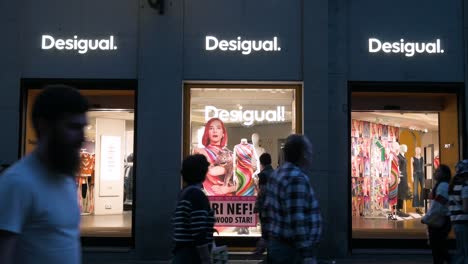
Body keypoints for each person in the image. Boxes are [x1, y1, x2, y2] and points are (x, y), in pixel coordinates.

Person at [0, 85, 89, 264]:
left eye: (83, 127)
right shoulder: (17, 182)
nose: (82, 138)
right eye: (73, 127)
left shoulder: (66, 178)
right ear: (44, 126)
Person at [263, 134, 322, 264]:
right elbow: (297, 220)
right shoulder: (296, 178)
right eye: (309, 151)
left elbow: (266, 210)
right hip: (292, 251)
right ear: (303, 154)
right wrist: (306, 253)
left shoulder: (276, 174)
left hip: (278, 245)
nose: (311, 155)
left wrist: (266, 238)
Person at [172, 154, 215, 264]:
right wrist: (206, 259)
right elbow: (198, 232)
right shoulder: (196, 195)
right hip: (192, 256)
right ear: (202, 172)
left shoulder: (184, 193)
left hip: (182, 253)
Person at [193, 118, 235, 195]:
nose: (215, 131)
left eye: (218, 128)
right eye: (211, 128)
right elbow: (211, 172)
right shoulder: (200, 151)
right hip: (209, 195)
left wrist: (227, 189)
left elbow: (240, 182)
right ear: (207, 133)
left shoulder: (230, 153)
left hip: (229, 197)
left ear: (223, 133)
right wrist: (229, 168)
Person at [421, 164, 451, 264]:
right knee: (440, 250)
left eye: (438, 171)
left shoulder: (442, 187)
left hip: (439, 222)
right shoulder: (441, 186)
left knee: (438, 250)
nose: (435, 173)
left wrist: (426, 218)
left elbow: (438, 207)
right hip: (439, 220)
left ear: (443, 174)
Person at [253, 153, 273, 257]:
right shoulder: (275, 173)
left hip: (265, 208)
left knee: (265, 232)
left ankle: (260, 251)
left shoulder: (263, 175)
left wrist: (257, 206)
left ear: (261, 163)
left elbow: (262, 193)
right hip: (273, 208)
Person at [448, 160, 468, 264]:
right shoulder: (465, 187)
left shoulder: (452, 186)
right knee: (466, 252)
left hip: (455, 223)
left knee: (460, 251)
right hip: (464, 223)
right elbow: (465, 208)